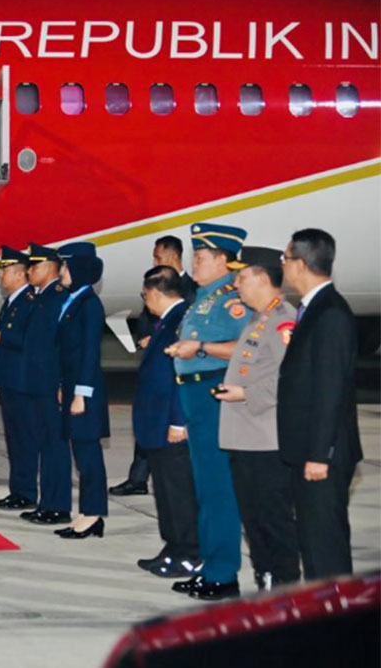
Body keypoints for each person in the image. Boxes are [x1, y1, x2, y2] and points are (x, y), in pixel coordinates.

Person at [165, 222, 248, 601]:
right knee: (205, 489)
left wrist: (198, 348)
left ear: (223, 261)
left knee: (218, 490)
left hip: (213, 395)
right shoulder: (203, 296)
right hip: (195, 397)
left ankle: (222, 574)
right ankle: (210, 566)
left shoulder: (233, 300)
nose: (192, 264)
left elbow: (248, 347)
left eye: (199, 257)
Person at [214, 247, 300, 591]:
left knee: (274, 520)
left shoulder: (283, 319)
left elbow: (287, 377)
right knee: (253, 519)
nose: (236, 284)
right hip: (244, 436)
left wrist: (245, 394)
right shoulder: (258, 318)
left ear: (263, 278)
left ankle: (288, 590)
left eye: (241, 276)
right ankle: (265, 581)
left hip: (266, 439)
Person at [277, 228, 362, 580]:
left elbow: (330, 390)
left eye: (284, 259)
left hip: (322, 455)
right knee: (312, 542)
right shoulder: (312, 309)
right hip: (308, 449)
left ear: (300, 263)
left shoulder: (329, 314)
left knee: (325, 547)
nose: (282, 265)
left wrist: (317, 454)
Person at [112, 235, 198, 497]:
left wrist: (177, 421)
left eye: (157, 257)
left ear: (172, 256)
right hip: (155, 370)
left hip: (171, 398)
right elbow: (146, 320)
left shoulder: (190, 294)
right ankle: (138, 479)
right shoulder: (156, 290)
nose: (154, 261)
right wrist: (145, 338)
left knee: (173, 481)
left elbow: (183, 371)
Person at [134, 266, 200, 578]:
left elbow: (182, 376)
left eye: (145, 295)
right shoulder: (167, 320)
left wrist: (178, 420)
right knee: (164, 491)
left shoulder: (182, 320)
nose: (145, 302)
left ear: (158, 293)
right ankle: (172, 547)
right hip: (156, 422)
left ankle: (188, 552)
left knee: (178, 492)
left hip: (170, 424)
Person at [54, 242, 110, 539]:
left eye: (64, 265)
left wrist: (80, 393)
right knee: (82, 453)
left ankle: (93, 514)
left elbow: (90, 353)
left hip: (85, 393)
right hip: (74, 388)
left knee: (89, 456)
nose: (61, 271)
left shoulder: (89, 304)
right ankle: (87, 512)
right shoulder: (74, 300)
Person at [19, 243, 71, 526]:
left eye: (34, 266)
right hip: (37, 383)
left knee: (55, 446)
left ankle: (58, 505)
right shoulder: (39, 298)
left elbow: (63, 346)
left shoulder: (56, 299)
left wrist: (63, 382)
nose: (30, 271)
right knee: (44, 444)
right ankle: (46, 502)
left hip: (51, 384)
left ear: (50, 267)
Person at [0, 246, 39, 511]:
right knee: (15, 440)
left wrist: (3, 337)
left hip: (22, 381)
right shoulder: (12, 301)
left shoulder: (29, 301)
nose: (0, 278)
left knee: (25, 438)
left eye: (4, 272)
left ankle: (27, 491)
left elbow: (33, 339)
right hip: (10, 379)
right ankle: (18, 489)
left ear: (19, 274)